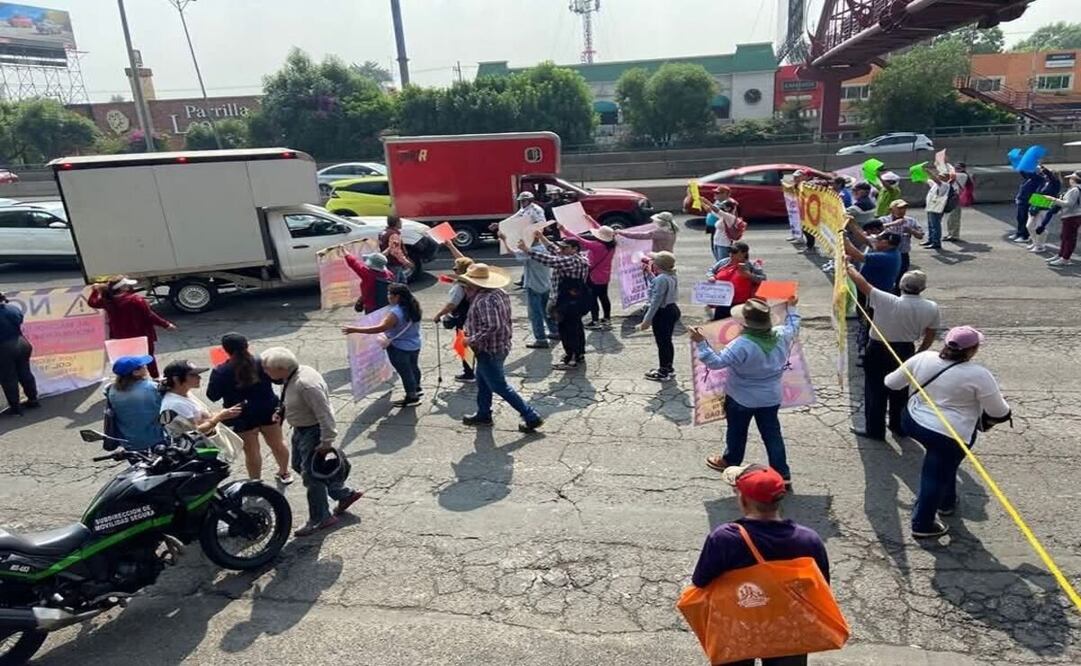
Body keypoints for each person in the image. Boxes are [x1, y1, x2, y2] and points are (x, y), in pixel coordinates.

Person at [691, 463, 830, 666]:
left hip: (738, 625)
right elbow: (821, 587)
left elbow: (700, 581)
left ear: (743, 499)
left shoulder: (725, 538)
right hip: (787, 627)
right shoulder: (808, 540)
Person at [885, 327, 1010, 539]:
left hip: (913, 422)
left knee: (944, 463)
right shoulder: (978, 375)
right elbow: (999, 411)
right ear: (972, 350)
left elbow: (891, 382)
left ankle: (947, 501)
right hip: (950, 434)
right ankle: (922, 523)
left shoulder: (924, 357)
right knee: (935, 473)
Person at [693, 296, 801, 487]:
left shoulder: (741, 344)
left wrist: (701, 342)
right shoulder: (782, 334)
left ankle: (731, 460)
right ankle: (782, 474)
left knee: (737, 430)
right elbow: (794, 325)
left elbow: (716, 363)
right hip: (771, 396)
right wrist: (792, 309)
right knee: (772, 434)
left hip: (741, 397)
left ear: (744, 323)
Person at [261, 347, 363, 537]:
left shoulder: (306, 384)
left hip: (312, 431)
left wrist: (326, 442)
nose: (265, 372)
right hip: (300, 428)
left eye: (267, 369)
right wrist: (281, 411)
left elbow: (325, 415)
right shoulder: (291, 375)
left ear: (282, 368)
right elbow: (289, 398)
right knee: (299, 465)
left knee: (311, 476)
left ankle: (320, 518)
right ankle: (343, 493)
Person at [847, 267, 940, 441]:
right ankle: (899, 425)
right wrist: (920, 352)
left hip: (878, 348)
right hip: (906, 350)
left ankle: (875, 430)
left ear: (900, 285)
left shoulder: (886, 300)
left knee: (875, 390)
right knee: (901, 390)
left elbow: (861, 283)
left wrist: (848, 266)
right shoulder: (931, 307)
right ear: (923, 289)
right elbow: (931, 333)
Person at [456, 263, 544, 432]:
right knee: (482, 381)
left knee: (498, 385)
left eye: (466, 285)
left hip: (489, 349)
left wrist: (470, 340)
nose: (465, 289)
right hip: (499, 345)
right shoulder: (499, 293)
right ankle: (483, 414)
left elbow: (492, 326)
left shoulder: (483, 301)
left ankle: (531, 416)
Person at [206, 333, 293, 484]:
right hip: (268, 409)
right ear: (247, 345)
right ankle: (284, 473)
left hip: (240, 415)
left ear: (225, 350)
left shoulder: (221, 371)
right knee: (278, 443)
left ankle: (256, 482)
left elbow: (213, 396)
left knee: (252, 451)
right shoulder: (262, 362)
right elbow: (279, 380)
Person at [342, 283, 423, 407]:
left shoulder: (396, 312)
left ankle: (412, 397)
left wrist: (355, 329)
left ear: (397, 296)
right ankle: (417, 388)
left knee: (405, 372)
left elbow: (381, 328)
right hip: (415, 344)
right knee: (413, 367)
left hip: (399, 348)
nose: (388, 296)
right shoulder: (413, 306)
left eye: (390, 294)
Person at [88, 277, 176, 378]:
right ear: (122, 288)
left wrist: (95, 291)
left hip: (120, 336)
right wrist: (166, 324)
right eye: (126, 285)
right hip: (141, 334)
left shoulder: (107, 300)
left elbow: (92, 302)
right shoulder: (135, 300)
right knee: (148, 356)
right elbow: (149, 315)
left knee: (128, 359)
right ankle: (155, 377)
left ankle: (131, 379)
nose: (129, 286)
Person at [528, 234, 590, 370]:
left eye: (565, 248)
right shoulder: (579, 258)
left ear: (574, 249)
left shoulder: (571, 261)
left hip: (567, 302)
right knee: (577, 328)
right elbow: (554, 250)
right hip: (576, 301)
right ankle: (578, 354)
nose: (560, 250)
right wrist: (541, 237)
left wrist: (527, 250)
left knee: (568, 330)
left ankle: (571, 359)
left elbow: (549, 260)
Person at [844, 232, 902, 356]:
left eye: (879, 240)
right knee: (867, 320)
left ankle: (866, 350)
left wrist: (843, 237)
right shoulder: (888, 251)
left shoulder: (886, 257)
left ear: (886, 243)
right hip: (873, 294)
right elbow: (866, 239)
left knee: (867, 321)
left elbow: (857, 255)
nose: (875, 241)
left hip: (872, 296)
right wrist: (851, 223)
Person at [159, 359, 242, 438]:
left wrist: (224, 413)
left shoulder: (184, 394)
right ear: (176, 379)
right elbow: (195, 432)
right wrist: (219, 417)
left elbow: (202, 415)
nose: (199, 377)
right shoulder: (176, 404)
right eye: (193, 375)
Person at [432, 241, 478, 379]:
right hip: (474, 316)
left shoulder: (460, 287)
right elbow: (465, 261)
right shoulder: (475, 278)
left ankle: (468, 373)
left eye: (456, 268)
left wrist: (439, 314)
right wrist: (451, 246)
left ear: (462, 270)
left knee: (464, 345)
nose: (454, 269)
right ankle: (474, 371)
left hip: (463, 318)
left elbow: (452, 304)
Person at [505, 232, 559, 349]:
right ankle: (554, 331)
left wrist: (504, 240)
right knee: (547, 310)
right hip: (546, 283)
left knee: (535, 314)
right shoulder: (545, 248)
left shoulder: (529, 252)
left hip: (533, 285)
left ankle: (540, 339)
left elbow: (511, 252)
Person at [559, 223, 617, 330]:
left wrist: (565, 230)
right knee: (604, 297)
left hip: (593, 276)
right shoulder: (612, 246)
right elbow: (605, 231)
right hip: (605, 276)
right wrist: (590, 220)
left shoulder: (597, 246)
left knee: (593, 299)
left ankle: (595, 320)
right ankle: (607, 319)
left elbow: (580, 240)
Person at [104, 355, 164, 450]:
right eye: (143, 366)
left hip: (129, 442)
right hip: (156, 439)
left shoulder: (111, 389)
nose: (146, 366)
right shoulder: (152, 387)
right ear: (135, 372)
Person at [637, 251, 680, 381]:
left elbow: (656, 301)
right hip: (672, 309)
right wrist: (649, 274)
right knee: (667, 342)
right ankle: (668, 368)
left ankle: (663, 371)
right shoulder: (670, 275)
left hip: (663, 312)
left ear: (658, 265)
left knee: (662, 343)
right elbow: (657, 285)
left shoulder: (661, 279)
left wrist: (646, 320)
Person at [0, 290, 38, 417]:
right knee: (25, 372)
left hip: (4, 347)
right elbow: (20, 320)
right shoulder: (13, 309)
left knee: (8, 378)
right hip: (22, 343)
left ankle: (15, 408)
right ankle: (33, 399)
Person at [708, 242, 765, 320]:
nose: (731, 254)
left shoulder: (753, 265)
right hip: (723, 302)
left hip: (741, 304)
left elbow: (763, 280)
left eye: (734, 252)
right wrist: (711, 276)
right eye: (730, 251)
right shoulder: (723, 262)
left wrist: (749, 275)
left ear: (744, 253)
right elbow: (711, 270)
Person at [876, 200, 924, 288]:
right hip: (885, 253)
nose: (903, 210)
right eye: (899, 208)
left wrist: (911, 230)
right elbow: (874, 231)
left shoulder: (911, 221)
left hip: (903, 254)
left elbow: (920, 235)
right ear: (891, 210)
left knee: (901, 278)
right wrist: (892, 224)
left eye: (904, 208)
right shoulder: (883, 220)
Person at [342, 248, 394, 314]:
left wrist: (344, 250)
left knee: (372, 323)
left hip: (371, 307)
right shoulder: (389, 274)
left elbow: (353, 262)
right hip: (385, 305)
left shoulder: (367, 274)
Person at [1047, 170, 1081, 267]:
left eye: (1071, 178)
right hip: (1073, 216)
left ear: (1075, 180)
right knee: (1065, 236)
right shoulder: (1076, 189)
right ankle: (1061, 255)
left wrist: (1053, 200)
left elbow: (1069, 204)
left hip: (1072, 216)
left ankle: (1065, 258)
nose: (1069, 180)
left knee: (1068, 238)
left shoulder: (1075, 190)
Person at [1026, 166, 1061, 254]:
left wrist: (1044, 168)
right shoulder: (1044, 182)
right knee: (1029, 226)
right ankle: (1035, 243)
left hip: (1044, 207)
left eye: (1046, 175)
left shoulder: (1056, 183)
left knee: (1039, 227)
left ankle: (1040, 246)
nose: (1044, 176)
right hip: (1036, 205)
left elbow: (1050, 176)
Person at [1009, 169, 1044, 244]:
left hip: (1027, 202)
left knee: (1024, 219)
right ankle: (1019, 233)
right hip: (1021, 201)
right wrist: (1021, 167)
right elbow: (1023, 173)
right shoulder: (1029, 179)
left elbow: (1031, 174)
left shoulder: (1038, 180)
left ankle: (1024, 236)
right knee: (1020, 218)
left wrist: (1027, 166)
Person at [378, 215, 415, 283]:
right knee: (395, 285)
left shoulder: (383, 233)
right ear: (397, 223)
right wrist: (406, 262)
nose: (401, 223)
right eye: (400, 221)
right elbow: (395, 251)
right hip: (394, 264)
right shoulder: (394, 235)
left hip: (388, 262)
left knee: (403, 282)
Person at [922, 167, 951, 250]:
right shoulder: (936, 184)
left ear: (946, 178)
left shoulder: (944, 185)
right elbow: (927, 180)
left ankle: (936, 242)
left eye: (941, 176)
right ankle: (930, 239)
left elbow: (934, 179)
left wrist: (928, 172)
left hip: (937, 208)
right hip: (931, 207)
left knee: (935, 225)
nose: (939, 177)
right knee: (930, 225)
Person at [944, 162, 973, 242]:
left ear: (963, 169)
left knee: (955, 217)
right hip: (952, 198)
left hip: (956, 198)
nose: (956, 170)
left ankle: (955, 235)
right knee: (950, 218)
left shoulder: (963, 175)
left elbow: (950, 174)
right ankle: (950, 234)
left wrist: (947, 165)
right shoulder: (957, 175)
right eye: (956, 168)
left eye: (958, 168)